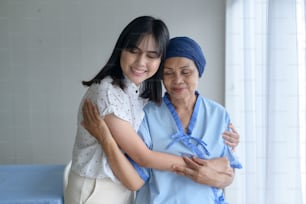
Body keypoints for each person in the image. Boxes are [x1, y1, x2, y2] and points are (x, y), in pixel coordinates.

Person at [81, 36, 242, 204]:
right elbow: (135, 179)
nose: (178, 80)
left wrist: (210, 177)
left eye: (186, 72)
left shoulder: (219, 114)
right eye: (168, 73)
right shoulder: (147, 115)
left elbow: (228, 175)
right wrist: (105, 138)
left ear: (199, 72)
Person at [65, 15, 170, 204]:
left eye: (151, 56)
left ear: (160, 60)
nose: (140, 62)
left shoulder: (135, 92)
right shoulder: (107, 92)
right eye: (133, 51)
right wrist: (194, 165)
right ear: (121, 50)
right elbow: (141, 157)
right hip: (95, 189)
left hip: (118, 188)